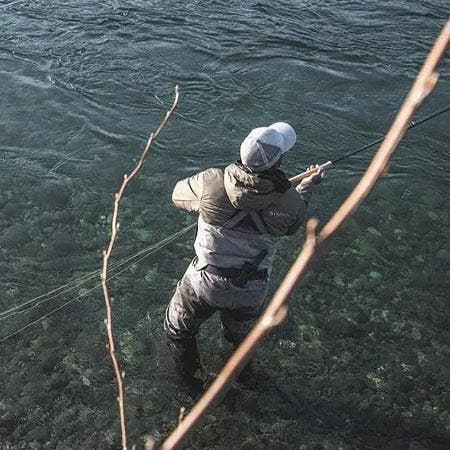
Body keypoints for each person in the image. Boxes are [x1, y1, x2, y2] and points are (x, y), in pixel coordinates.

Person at [164, 122, 323, 394]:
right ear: (278, 161)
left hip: (203, 284)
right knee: (241, 340)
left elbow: (178, 196)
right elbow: (293, 225)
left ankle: (190, 387)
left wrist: (207, 204)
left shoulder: (211, 182)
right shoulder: (289, 202)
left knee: (178, 330)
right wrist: (305, 187)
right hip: (250, 290)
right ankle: (243, 379)